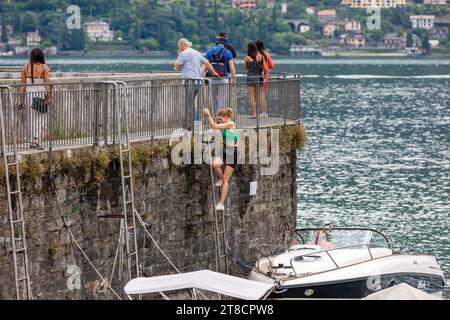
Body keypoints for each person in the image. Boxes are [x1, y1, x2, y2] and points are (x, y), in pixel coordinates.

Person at [174, 38, 219, 131]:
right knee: (195, 104)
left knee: (189, 104)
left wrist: (179, 55)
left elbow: (176, 66)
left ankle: (190, 125)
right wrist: (214, 72)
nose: (179, 48)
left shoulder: (184, 53)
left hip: (189, 81)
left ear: (182, 45)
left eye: (179, 47)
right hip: (198, 81)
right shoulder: (197, 52)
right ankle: (196, 124)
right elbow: (207, 63)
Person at [203, 107, 238, 211]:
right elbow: (216, 128)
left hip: (232, 153)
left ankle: (221, 203)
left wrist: (208, 115)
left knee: (226, 180)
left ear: (226, 117)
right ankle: (222, 179)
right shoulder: (224, 125)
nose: (219, 121)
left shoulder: (231, 124)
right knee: (214, 165)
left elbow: (214, 125)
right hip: (224, 151)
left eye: (221, 119)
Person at [19, 48, 51, 149]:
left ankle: (32, 141)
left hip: (29, 95)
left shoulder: (25, 67)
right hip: (40, 96)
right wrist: (49, 97)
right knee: (39, 119)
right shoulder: (44, 67)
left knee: (31, 119)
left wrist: (21, 100)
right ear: (41, 56)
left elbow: (22, 86)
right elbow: (47, 84)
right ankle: (35, 141)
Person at [204, 38, 236, 116]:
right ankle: (220, 118)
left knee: (213, 99)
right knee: (222, 100)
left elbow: (204, 65)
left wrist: (200, 75)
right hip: (223, 79)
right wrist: (233, 78)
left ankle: (214, 116)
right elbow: (232, 68)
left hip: (212, 79)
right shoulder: (228, 52)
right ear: (225, 45)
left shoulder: (209, 51)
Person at [244, 42, 269, 118]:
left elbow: (246, 68)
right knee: (259, 96)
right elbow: (266, 68)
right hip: (259, 78)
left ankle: (254, 114)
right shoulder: (261, 57)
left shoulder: (247, 58)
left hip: (250, 78)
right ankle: (262, 112)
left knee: (251, 97)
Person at [255, 40, 274, 115]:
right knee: (262, 96)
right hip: (265, 77)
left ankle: (255, 112)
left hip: (256, 77)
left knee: (256, 96)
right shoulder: (266, 54)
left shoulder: (256, 55)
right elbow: (272, 66)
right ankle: (264, 112)